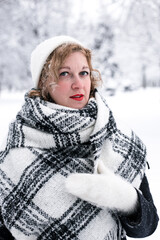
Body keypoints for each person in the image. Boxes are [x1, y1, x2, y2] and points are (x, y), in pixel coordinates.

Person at [0, 35, 159, 240]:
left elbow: (147, 228)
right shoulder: (16, 151)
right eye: (65, 74)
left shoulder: (118, 138)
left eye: (83, 73)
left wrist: (127, 199)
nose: (78, 84)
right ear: (44, 82)